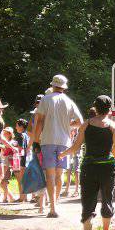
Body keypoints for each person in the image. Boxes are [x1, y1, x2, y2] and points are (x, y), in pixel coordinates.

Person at [59, 95, 115, 230]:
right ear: (110, 109)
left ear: (95, 107)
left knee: (88, 205)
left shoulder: (86, 125)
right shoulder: (114, 127)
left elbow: (75, 147)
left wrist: (63, 154)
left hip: (88, 168)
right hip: (107, 168)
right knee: (107, 201)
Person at [33, 74, 83, 217]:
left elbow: (40, 121)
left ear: (53, 85)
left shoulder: (45, 99)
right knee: (60, 174)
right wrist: (68, 125)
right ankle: (57, 203)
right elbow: (80, 121)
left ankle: (52, 208)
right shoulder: (69, 101)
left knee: (50, 175)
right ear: (64, 87)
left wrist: (36, 140)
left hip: (48, 140)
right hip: (64, 142)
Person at [0, 127, 18, 202]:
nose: (4, 134)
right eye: (4, 133)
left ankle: (9, 197)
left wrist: (2, 146)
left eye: (6, 133)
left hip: (8, 165)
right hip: (4, 164)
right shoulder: (5, 142)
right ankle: (7, 198)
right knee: (3, 182)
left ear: (10, 134)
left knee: (2, 182)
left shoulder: (13, 142)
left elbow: (11, 152)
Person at [62, 128, 81, 197]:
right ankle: (67, 190)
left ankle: (77, 190)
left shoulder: (78, 136)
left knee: (76, 172)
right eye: (73, 129)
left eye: (75, 129)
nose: (73, 130)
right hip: (69, 156)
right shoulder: (69, 137)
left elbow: (77, 146)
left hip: (76, 156)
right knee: (68, 172)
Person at [15, 119, 29, 202]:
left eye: (17, 125)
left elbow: (21, 149)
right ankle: (26, 197)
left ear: (21, 126)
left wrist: (15, 147)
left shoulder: (21, 135)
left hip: (23, 159)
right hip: (29, 158)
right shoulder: (27, 134)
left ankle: (22, 198)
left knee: (22, 179)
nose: (15, 127)